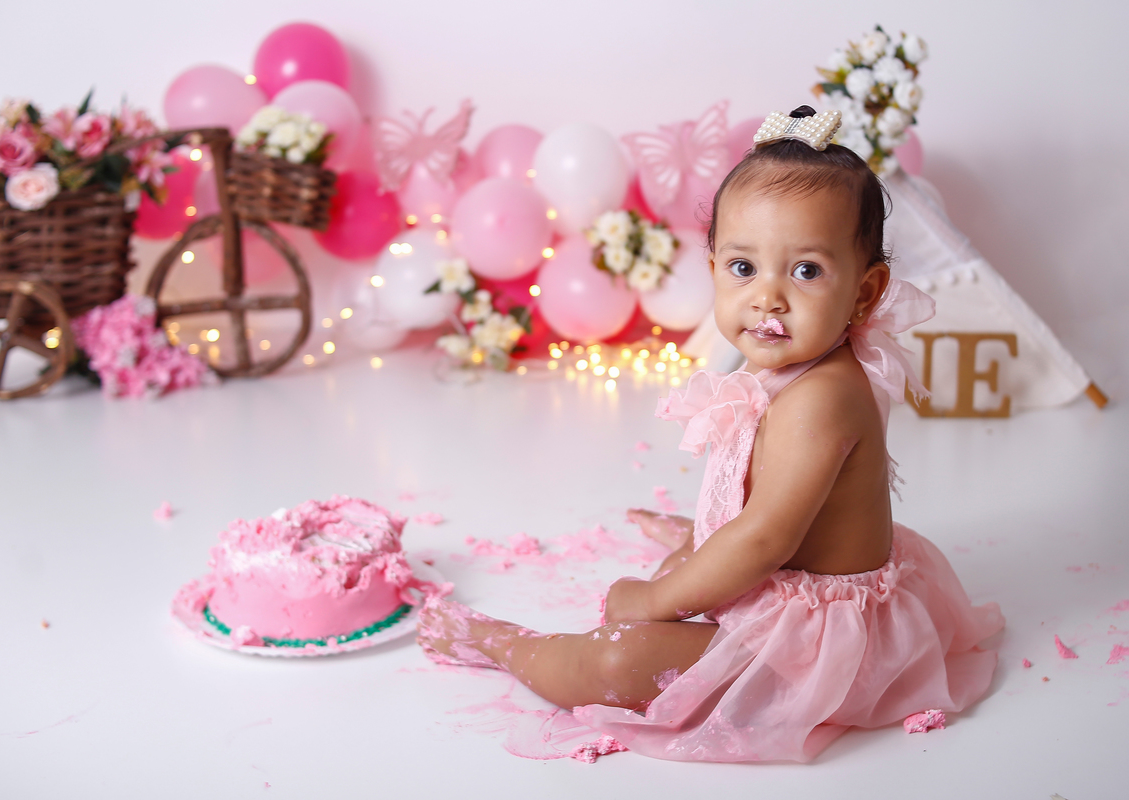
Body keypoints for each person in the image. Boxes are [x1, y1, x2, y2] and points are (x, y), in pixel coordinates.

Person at [417, 106, 1004, 762]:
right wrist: (707, 538)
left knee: (622, 661)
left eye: (806, 271)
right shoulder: (791, 362)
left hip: (818, 645)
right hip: (781, 567)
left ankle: (503, 643)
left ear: (865, 294)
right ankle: (698, 549)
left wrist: (658, 597)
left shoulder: (825, 398)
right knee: (704, 564)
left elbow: (764, 539)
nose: (767, 298)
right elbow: (767, 507)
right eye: (743, 268)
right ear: (715, 265)